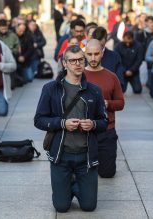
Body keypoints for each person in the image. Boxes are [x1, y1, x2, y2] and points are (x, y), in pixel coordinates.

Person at [34, 45, 107, 212]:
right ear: (64, 63)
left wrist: (93, 124)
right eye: (72, 60)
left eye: (80, 60)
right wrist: (62, 123)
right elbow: (38, 120)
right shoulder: (51, 89)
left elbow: (103, 121)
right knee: (61, 207)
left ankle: (74, 186)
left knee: (89, 207)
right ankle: (66, 188)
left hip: (86, 156)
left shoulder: (94, 91)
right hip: (61, 155)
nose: (77, 64)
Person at [84, 39, 124, 178]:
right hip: (83, 131)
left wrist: (107, 104)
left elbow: (121, 103)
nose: (93, 58)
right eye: (89, 54)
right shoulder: (79, 76)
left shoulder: (112, 77)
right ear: (85, 54)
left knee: (107, 173)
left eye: (96, 54)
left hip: (106, 130)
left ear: (102, 54)